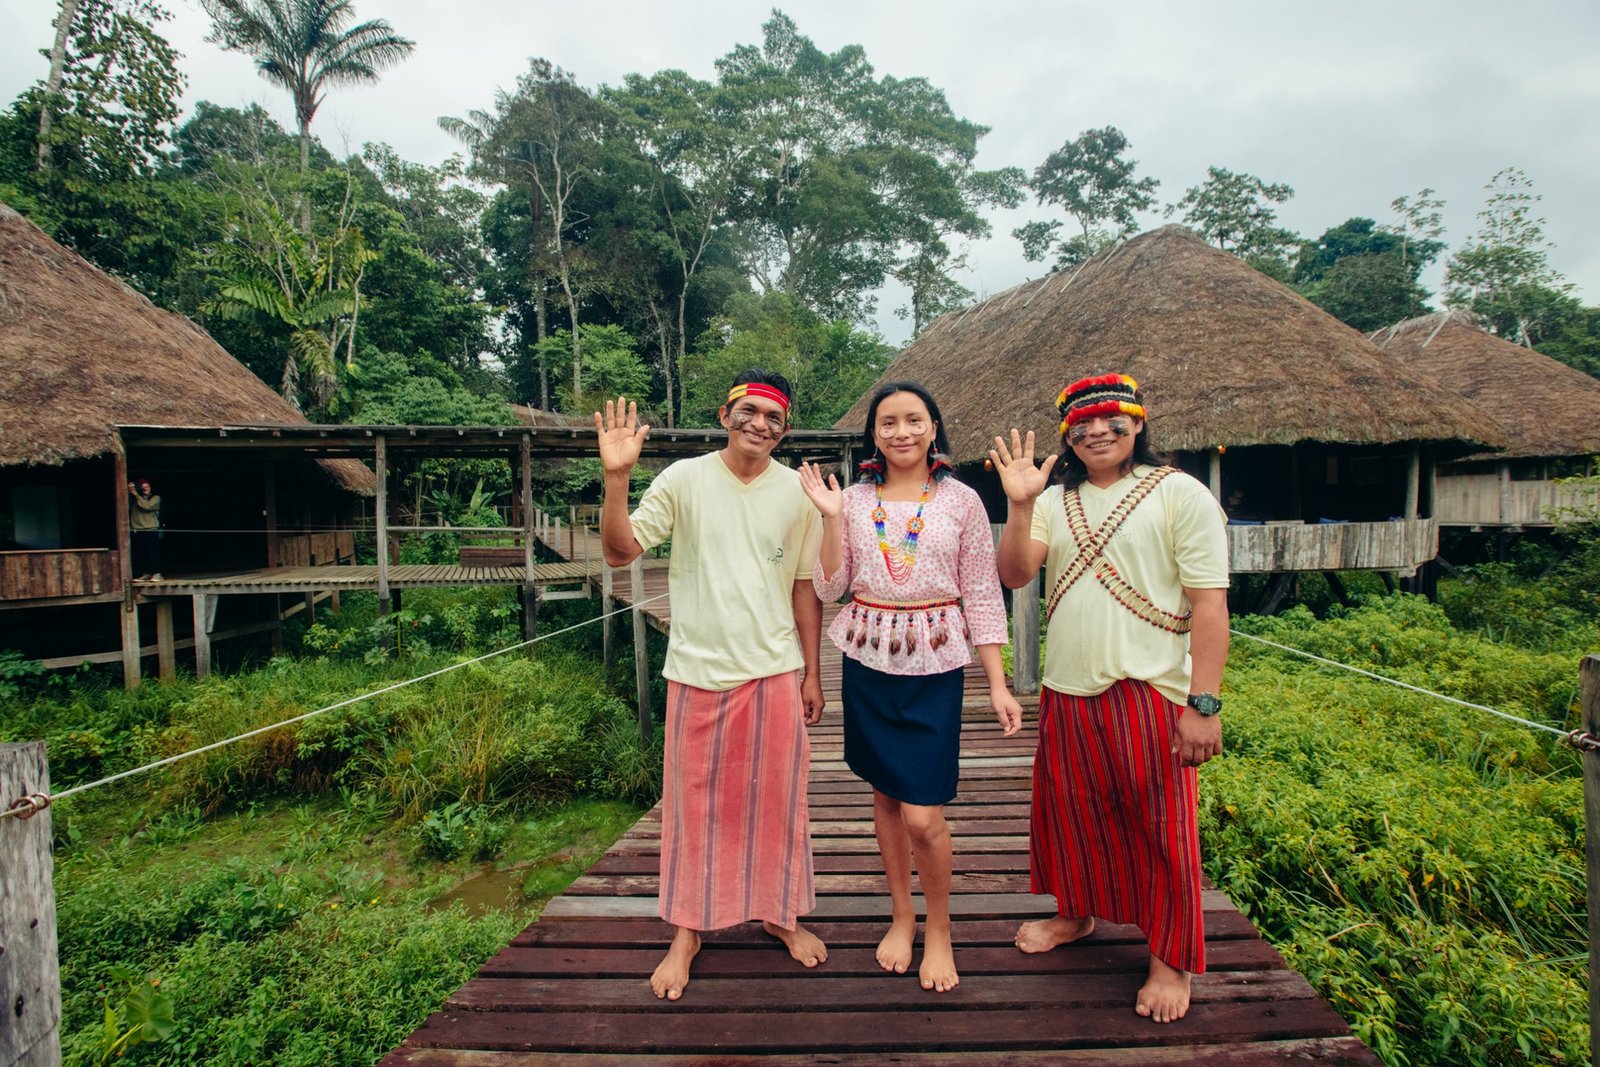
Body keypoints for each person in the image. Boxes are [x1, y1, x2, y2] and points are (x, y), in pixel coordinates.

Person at [989, 372, 1230, 1024]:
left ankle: (1170, 957)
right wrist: (1018, 506)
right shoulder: (1053, 499)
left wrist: (1203, 704)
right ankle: (1075, 914)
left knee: (1161, 826)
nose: (1097, 431)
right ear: (1067, 434)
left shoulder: (1179, 492)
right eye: (1082, 423)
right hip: (1067, 688)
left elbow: (1209, 606)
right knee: (1071, 813)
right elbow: (1015, 573)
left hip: (1151, 688)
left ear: (1137, 423)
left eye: (1111, 419)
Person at [596, 370, 828, 1003]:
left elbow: (804, 586)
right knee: (693, 809)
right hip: (697, 672)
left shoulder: (798, 492)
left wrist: (812, 672)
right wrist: (617, 478)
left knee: (779, 802)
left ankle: (779, 912)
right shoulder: (684, 479)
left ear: (785, 430)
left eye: (774, 418)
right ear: (726, 415)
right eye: (748, 411)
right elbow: (619, 552)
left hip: (774, 669)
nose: (760, 424)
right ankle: (688, 930)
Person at [799, 381, 1022, 994]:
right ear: (874, 433)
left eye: (914, 420)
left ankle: (940, 927)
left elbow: (983, 592)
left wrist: (998, 684)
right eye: (889, 422)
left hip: (936, 663)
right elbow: (829, 587)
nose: (902, 432)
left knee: (924, 815)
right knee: (886, 798)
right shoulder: (852, 499)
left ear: (933, 428)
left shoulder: (961, 501)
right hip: (868, 658)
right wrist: (830, 519)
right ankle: (902, 915)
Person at [128, 479, 162, 580]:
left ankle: (157, 573)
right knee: (141, 553)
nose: (145, 489)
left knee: (152, 552)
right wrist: (129, 491)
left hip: (150, 528)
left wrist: (136, 494)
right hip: (137, 529)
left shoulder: (155, 498)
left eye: (147, 487)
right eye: (142, 487)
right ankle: (147, 573)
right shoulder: (134, 498)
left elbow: (147, 506)